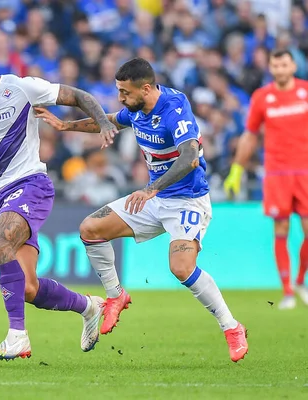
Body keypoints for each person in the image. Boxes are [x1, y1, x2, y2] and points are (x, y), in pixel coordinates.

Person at [35, 58, 249, 363]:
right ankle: (115, 295)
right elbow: (109, 120)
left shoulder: (174, 108)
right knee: (90, 229)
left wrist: (151, 189)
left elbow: (189, 156)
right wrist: (65, 125)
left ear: (145, 88)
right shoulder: (137, 109)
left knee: (181, 267)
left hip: (186, 199)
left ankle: (232, 328)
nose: (121, 97)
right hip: (153, 199)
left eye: (125, 92)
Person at [0, 39, 119, 360]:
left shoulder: (21, 88)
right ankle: (90, 306)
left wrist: (104, 122)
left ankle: (18, 336)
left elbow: (78, 96)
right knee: (27, 288)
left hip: (31, 184)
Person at [224, 49, 308, 310]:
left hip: (305, 172)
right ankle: (287, 292)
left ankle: (300, 280)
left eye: (284, 64)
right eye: (275, 65)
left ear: (293, 66)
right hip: (277, 173)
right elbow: (249, 135)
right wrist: (236, 170)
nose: (280, 69)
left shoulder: (306, 92)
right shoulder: (262, 97)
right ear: (271, 68)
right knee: (280, 230)